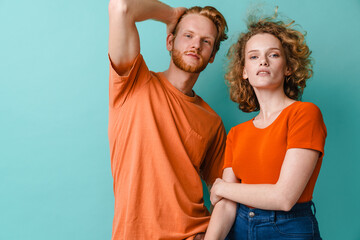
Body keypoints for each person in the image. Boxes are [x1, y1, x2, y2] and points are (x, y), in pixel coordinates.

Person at [107, 0, 228, 239]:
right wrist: (171, 15)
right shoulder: (133, 81)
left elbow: (224, 193)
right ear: (170, 42)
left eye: (206, 41)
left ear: (212, 55)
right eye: (188, 35)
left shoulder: (212, 121)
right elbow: (121, 6)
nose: (196, 45)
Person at [204, 13, 327, 240]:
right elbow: (226, 206)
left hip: (288, 229)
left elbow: (284, 197)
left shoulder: (304, 114)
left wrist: (221, 188)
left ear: (288, 67)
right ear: (244, 72)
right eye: (253, 56)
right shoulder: (236, 134)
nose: (263, 61)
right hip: (238, 228)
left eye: (273, 54)